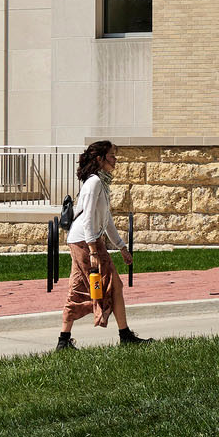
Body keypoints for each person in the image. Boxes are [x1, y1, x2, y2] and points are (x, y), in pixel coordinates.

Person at [56, 139, 148, 349]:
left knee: (104, 285)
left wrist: (122, 247)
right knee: (83, 289)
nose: (115, 160)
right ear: (100, 159)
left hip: (89, 240)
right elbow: (87, 217)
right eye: (111, 156)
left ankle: (122, 335)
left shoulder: (101, 183)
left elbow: (106, 220)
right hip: (84, 241)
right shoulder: (94, 182)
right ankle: (66, 340)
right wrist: (92, 250)